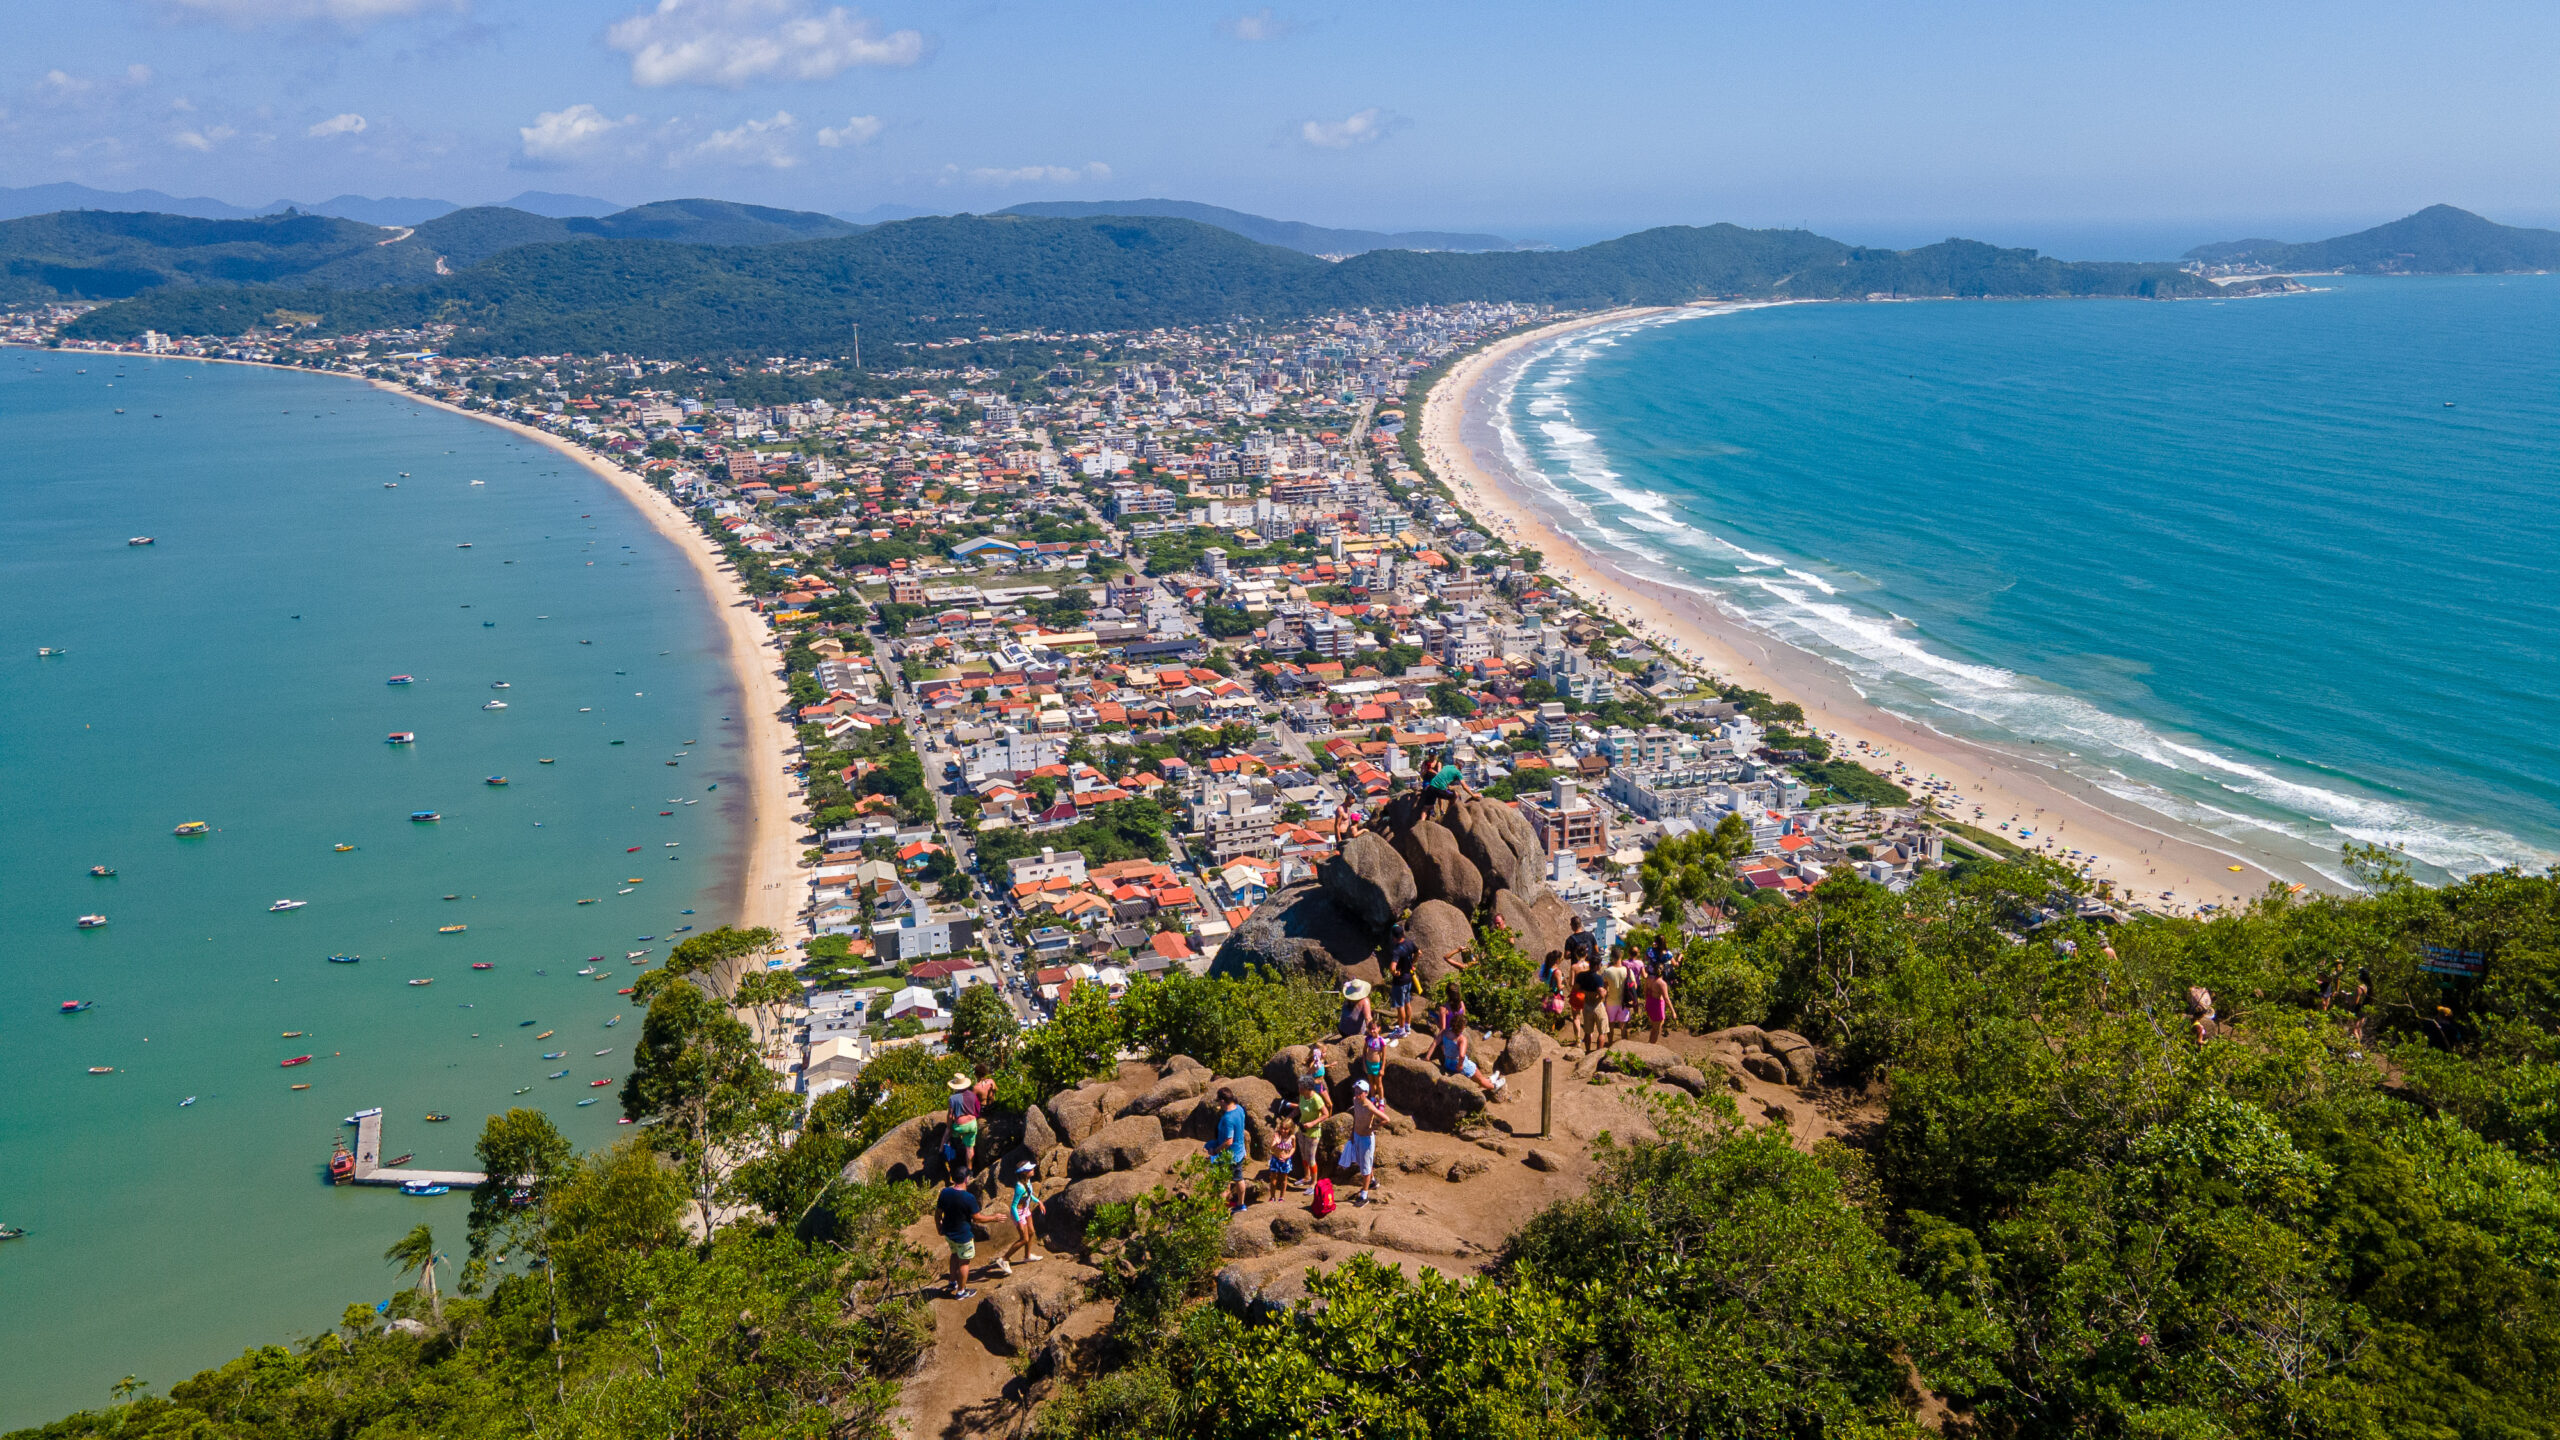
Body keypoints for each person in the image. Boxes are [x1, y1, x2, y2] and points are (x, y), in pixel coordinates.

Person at [1340, 1078, 1392, 1206]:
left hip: (1366, 1139)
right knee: (1363, 1162)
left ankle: (1365, 1195)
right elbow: (1356, 1118)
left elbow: (1386, 1119)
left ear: (1366, 1093)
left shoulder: (1369, 1106)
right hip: (1357, 1135)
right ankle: (1373, 1182)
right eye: (1356, 1090)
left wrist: (1372, 1128)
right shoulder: (1355, 1101)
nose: (1357, 1093)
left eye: (1360, 1092)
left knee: (1365, 1167)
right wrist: (1352, 1134)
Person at [1435, 1014, 1506, 1096]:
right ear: (1462, 1027)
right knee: (1479, 1079)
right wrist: (1460, 1065)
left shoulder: (1445, 1032)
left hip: (1448, 1063)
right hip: (1461, 1065)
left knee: (1480, 1077)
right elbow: (1461, 1055)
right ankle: (1494, 1086)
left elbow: (1440, 1044)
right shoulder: (1461, 1039)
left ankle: (1490, 1080)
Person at [935, 1181, 983, 1300]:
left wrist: (939, 1227)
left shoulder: (945, 1192)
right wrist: (994, 1218)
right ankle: (961, 1292)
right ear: (966, 1179)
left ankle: (952, 1283)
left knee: (955, 1255)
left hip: (949, 1234)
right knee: (964, 1262)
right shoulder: (968, 1197)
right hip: (963, 1236)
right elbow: (977, 1218)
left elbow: (938, 1213)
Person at [1207, 1086, 1252, 1212]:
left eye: (1219, 1101)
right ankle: (1241, 1204)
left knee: (1222, 1183)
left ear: (1222, 1101)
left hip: (1229, 1155)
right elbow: (1241, 1130)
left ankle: (1220, 1210)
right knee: (1239, 1178)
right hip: (1239, 1151)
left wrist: (1215, 1151)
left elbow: (1228, 1141)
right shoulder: (1239, 1109)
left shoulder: (1228, 1118)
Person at [995, 1161, 1044, 1274]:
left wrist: (1039, 1201)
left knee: (1031, 1232)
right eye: (1030, 1169)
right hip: (1019, 1212)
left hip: (1026, 1210)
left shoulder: (1027, 1181)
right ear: (1024, 1173)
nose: (1033, 1170)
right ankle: (1004, 1259)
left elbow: (1029, 1194)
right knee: (1024, 1239)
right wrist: (1019, 1221)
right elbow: (1013, 1206)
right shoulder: (1019, 1187)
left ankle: (1027, 1256)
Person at [944, 1072, 983, 1179]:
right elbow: (978, 1111)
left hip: (959, 1127)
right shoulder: (973, 1095)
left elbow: (951, 1115)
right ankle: (970, 1171)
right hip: (971, 1124)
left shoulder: (953, 1098)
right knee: (970, 1148)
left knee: (953, 1142)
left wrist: (948, 1127)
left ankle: (954, 1167)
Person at [1385, 925, 1420, 1038]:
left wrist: (1394, 972)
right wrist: (1412, 963)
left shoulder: (1397, 950)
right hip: (1408, 978)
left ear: (1394, 937)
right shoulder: (1409, 942)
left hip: (1399, 982)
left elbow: (1392, 967)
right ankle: (1407, 1026)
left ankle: (1401, 1030)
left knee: (1400, 1006)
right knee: (1407, 1003)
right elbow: (1419, 952)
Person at [1598, 949, 1634, 1047]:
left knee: (1611, 1025)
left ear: (1612, 957)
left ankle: (1610, 1044)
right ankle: (1624, 1045)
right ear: (1621, 956)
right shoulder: (1628, 970)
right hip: (1624, 1002)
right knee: (1623, 1025)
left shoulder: (1607, 971)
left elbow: (1604, 987)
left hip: (1610, 1002)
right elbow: (1633, 986)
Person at [1266, 1113, 1300, 1200]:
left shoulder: (1292, 1137)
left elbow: (1293, 1147)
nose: (1283, 1130)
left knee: (1284, 1179)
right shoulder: (1277, 1135)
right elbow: (1272, 1148)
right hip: (1276, 1159)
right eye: (1282, 1128)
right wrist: (1276, 1143)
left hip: (1286, 1160)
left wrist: (1288, 1155)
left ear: (1290, 1129)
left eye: (1286, 1129)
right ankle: (1272, 1196)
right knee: (1273, 1179)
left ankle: (1282, 1197)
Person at [1641, 965, 1677, 1045]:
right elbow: (1666, 999)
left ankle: (1650, 1043)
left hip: (1649, 1002)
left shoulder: (1649, 979)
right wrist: (1673, 1011)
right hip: (1657, 1004)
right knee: (1657, 1028)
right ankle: (1651, 1045)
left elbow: (1645, 992)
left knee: (1654, 1026)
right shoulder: (1662, 983)